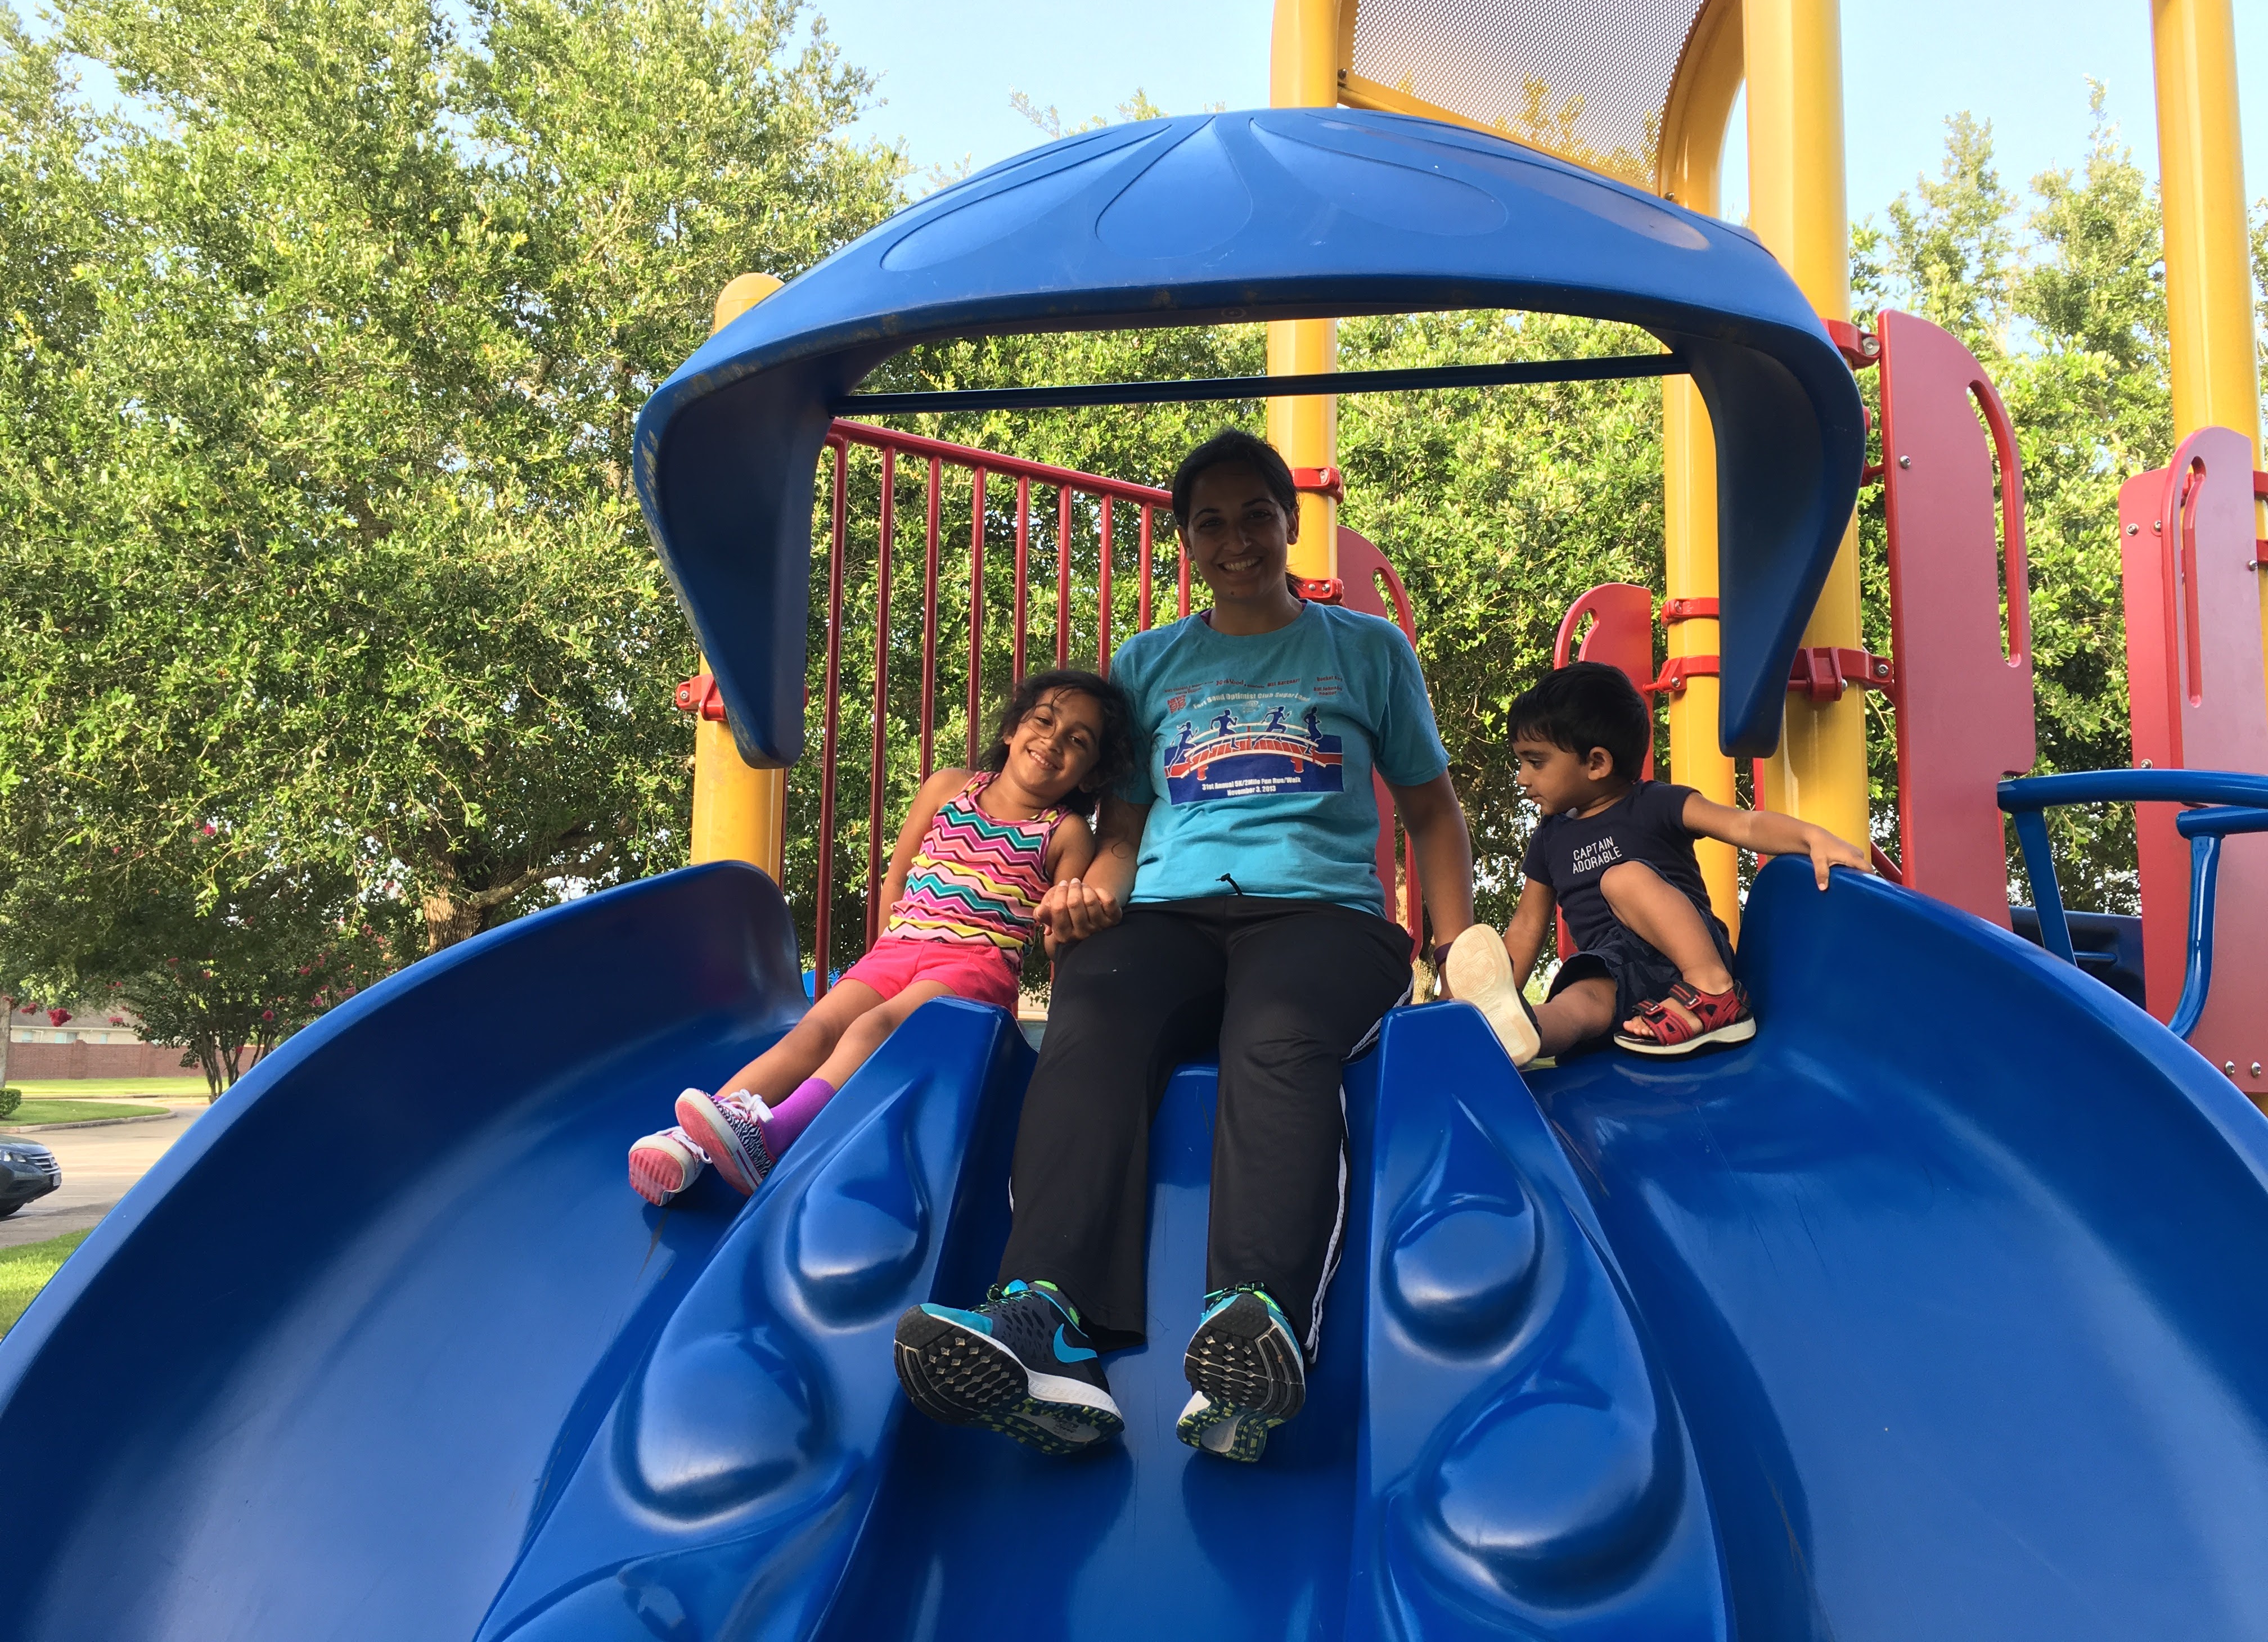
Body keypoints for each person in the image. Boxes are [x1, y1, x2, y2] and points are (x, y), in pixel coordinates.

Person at [891, 430, 1477, 1464]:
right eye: (1211, 522)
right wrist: (1091, 896)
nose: (1236, 538)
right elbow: (1123, 832)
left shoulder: (1367, 649)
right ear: (1187, 542)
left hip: (1321, 914)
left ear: (1290, 524)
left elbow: (1432, 811)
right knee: (1091, 1020)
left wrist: (1459, 948)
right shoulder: (1148, 661)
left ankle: (1256, 1326)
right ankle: (1046, 1325)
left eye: (1256, 514)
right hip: (1166, 910)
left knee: (1275, 1036)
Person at [627, 667, 1131, 1206]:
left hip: (975, 966)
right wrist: (885, 946)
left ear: (1090, 777)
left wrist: (1073, 920)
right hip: (898, 948)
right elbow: (898, 876)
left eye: (1078, 741)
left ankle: (777, 1137)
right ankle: (693, 1143)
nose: (1053, 741)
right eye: (1044, 721)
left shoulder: (1067, 833)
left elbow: (1055, 937)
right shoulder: (949, 787)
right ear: (1012, 729)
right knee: (816, 1027)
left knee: (874, 1026)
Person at [1443, 661, 1870, 1067]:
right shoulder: (1550, 837)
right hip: (1616, 972)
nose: (1522, 777)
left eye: (1535, 762)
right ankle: (1498, 1035)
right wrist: (1499, 993)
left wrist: (1810, 837)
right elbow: (1526, 927)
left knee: (1622, 879)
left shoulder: (1654, 803)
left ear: (1597, 763)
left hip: (1683, 956)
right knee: (1576, 1003)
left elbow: (1743, 824)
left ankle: (1714, 992)